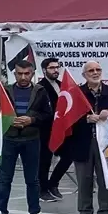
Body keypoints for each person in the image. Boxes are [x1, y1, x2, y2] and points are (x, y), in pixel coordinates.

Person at [0, 60, 52, 214]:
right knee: (4, 178)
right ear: (15, 74)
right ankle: (0, 212)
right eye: (19, 73)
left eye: (27, 73)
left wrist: (31, 119)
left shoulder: (40, 91)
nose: (23, 77)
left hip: (31, 139)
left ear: (32, 74)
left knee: (32, 179)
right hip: (9, 139)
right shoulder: (6, 91)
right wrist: (7, 123)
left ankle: (35, 212)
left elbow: (47, 115)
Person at [70, 60, 108, 214]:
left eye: (98, 69)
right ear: (84, 75)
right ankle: (84, 213)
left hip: (107, 143)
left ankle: (105, 213)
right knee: (84, 179)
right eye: (91, 70)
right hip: (84, 142)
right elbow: (68, 116)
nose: (95, 72)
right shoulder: (76, 93)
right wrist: (85, 118)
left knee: (105, 178)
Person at [36, 58, 66, 202]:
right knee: (44, 160)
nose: (55, 70)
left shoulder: (62, 85)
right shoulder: (40, 87)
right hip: (46, 130)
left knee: (69, 155)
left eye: (57, 67)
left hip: (62, 129)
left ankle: (53, 183)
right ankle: (42, 190)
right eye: (52, 68)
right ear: (44, 70)